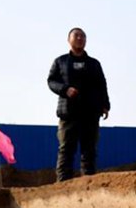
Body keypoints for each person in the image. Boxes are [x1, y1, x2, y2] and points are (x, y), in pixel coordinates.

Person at [47, 27, 110, 181]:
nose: (80, 38)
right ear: (69, 40)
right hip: (68, 113)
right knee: (66, 150)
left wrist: (105, 104)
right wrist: (65, 89)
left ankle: (88, 183)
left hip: (90, 113)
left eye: (83, 36)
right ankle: (63, 185)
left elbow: (102, 84)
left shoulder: (94, 64)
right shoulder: (60, 62)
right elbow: (51, 81)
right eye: (76, 35)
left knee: (89, 151)